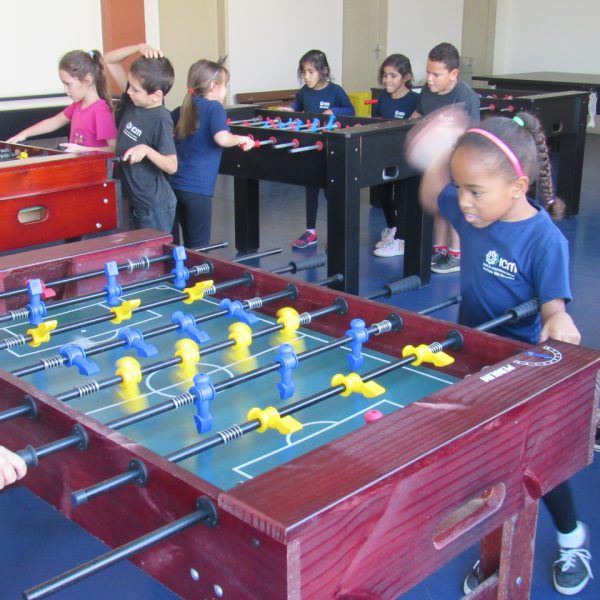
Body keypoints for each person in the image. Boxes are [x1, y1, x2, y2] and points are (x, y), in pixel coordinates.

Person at [407, 106, 593, 596]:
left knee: (535, 462)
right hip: (471, 355)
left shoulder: (544, 241)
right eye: (461, 187)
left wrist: (558, 320)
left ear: (517, 187)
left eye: (475, 190)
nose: (463, 202)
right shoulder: (475, 212)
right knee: (481, 461)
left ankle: (572, 538)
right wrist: (438, 154)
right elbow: (432, 195)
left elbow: (554, 307)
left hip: (520, 367)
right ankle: (494, 547)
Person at [411, 42, 480, 274]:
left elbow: (472, 135)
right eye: (428, 72)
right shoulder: (427, 92)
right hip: (436, 163)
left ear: (453, 74)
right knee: (439, 206)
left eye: (436, 74)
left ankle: (456, 253)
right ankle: (440, 248)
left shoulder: (465, 96)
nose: (429, 79)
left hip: (459, 163)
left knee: (454, 207)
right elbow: (418, 114)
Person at [170, 59, 254, 249]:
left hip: (175, 185)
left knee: (182, 247)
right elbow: (222, 138)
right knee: (199, 248)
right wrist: (241, 139)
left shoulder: (186, 106)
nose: (225, 90)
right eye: (225, 85)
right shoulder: (214, 107)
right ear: (213, 86)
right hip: (197, 189)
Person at [280, 49, 355, 249]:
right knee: (310, 191)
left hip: (331, 150)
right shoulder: (304, 92)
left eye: (311, 72)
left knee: (331, 192)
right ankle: (310, 231)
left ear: (323, 71)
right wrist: (290, 109)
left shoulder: (335, 91)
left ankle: (337, 231)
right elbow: (297, 106)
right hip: (310, 149)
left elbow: (351, 110)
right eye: (303, 72)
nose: (306, 76)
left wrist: (334, 111)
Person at [104, 43, 177, 234]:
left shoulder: (161, 119)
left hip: (154, 206)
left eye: (135, 89)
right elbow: (109, 60)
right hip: (133, 200)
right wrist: (138, 47)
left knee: (154, 252)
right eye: (130, 86)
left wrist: (146, 150)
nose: (129, 92)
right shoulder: (133, 102)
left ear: (156, 95)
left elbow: (172, 165)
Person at [7, 50, 117, 153]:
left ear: (87, 80)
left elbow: (113, 148)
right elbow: (54, 122)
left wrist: (83, 150)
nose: (65, 90)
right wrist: (23, 134)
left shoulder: (100, 111)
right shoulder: (77, 106)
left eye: (68, 84)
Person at [371, 53, 419, 258]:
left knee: (401, 198)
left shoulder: (415, 100)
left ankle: (402, 240)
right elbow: (375, 123)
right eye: (385, 75)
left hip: (404, 159)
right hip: (385, 156)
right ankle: (393, 229)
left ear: (405, 77)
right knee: (383, 195)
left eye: (393, 76)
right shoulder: (383, 98)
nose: (387, 80)